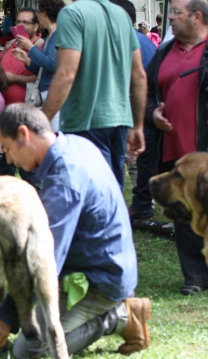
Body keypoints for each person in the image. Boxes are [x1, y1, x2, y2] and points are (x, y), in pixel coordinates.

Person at [0, 103, 151, 359]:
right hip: (78, 269)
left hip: (104, 278)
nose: (8, 160)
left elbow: (46, 257)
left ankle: (120, 316)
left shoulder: (65, 177)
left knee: (31, 351)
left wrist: (6, 315)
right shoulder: (72, 143)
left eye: (7, 149)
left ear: (23, 134)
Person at [42, 0, 147, 190]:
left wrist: (42, 121)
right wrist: (138, 125)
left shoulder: (72, 14)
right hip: (119, 119)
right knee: (113, 195)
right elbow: (139, 75)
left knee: (95, 197)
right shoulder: (121, 14)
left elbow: (66, 74)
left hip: (86, 121)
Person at [145, 0, 208, 295]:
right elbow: (145, 94)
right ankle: (194, 276)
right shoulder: (163, 53)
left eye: (177, 13)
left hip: (204, 151)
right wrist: (152, 114)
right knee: (183, 212)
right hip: (173, 151)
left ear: (197, 17)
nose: (170, 18)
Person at [111, 0, 157, 223]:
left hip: (135, 107)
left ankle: (137, 205)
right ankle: (143, 203)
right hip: (148, 107)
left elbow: (133, 78)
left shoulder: (125, 41)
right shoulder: (145, 40)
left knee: (128, 158)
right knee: (139, 160)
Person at [0, 8, 44, 189]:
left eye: (26, 22)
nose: (21, 26)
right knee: (5, 169)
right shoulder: (10, 45)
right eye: (18, 22)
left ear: (36, 26)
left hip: (27, 117)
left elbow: (41, 77)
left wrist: (14, 79)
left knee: (29, 171)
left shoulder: (39, 47)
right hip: (4, 114)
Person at [11, 0, 65, 131]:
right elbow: (43, 68)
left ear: (45, 13)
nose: (37, 16)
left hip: (53, 94)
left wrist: (31, 48)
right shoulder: (49, 37)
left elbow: (52, 65)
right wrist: (27, 60)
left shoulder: (57, 34)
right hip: (46, 93)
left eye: (38, 12)